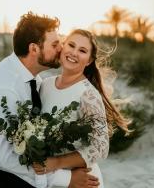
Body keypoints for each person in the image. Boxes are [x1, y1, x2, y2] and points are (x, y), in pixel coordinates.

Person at [0, 13, 100, 188]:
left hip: (10, 174)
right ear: (34, 49)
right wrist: (66, 180)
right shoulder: (4, 89)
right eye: (54, 44)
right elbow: (10, 158)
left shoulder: (34, 81)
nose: (61, 49)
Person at [33, 29, 130, 188]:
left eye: (82, 50)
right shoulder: (46, 84)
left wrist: (56, 162)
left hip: (81, 180)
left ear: (89, 60)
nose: (74, 53)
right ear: (63, 47)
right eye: (71, 45)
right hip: (52, 178)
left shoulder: (88, 95)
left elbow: (100, 147)